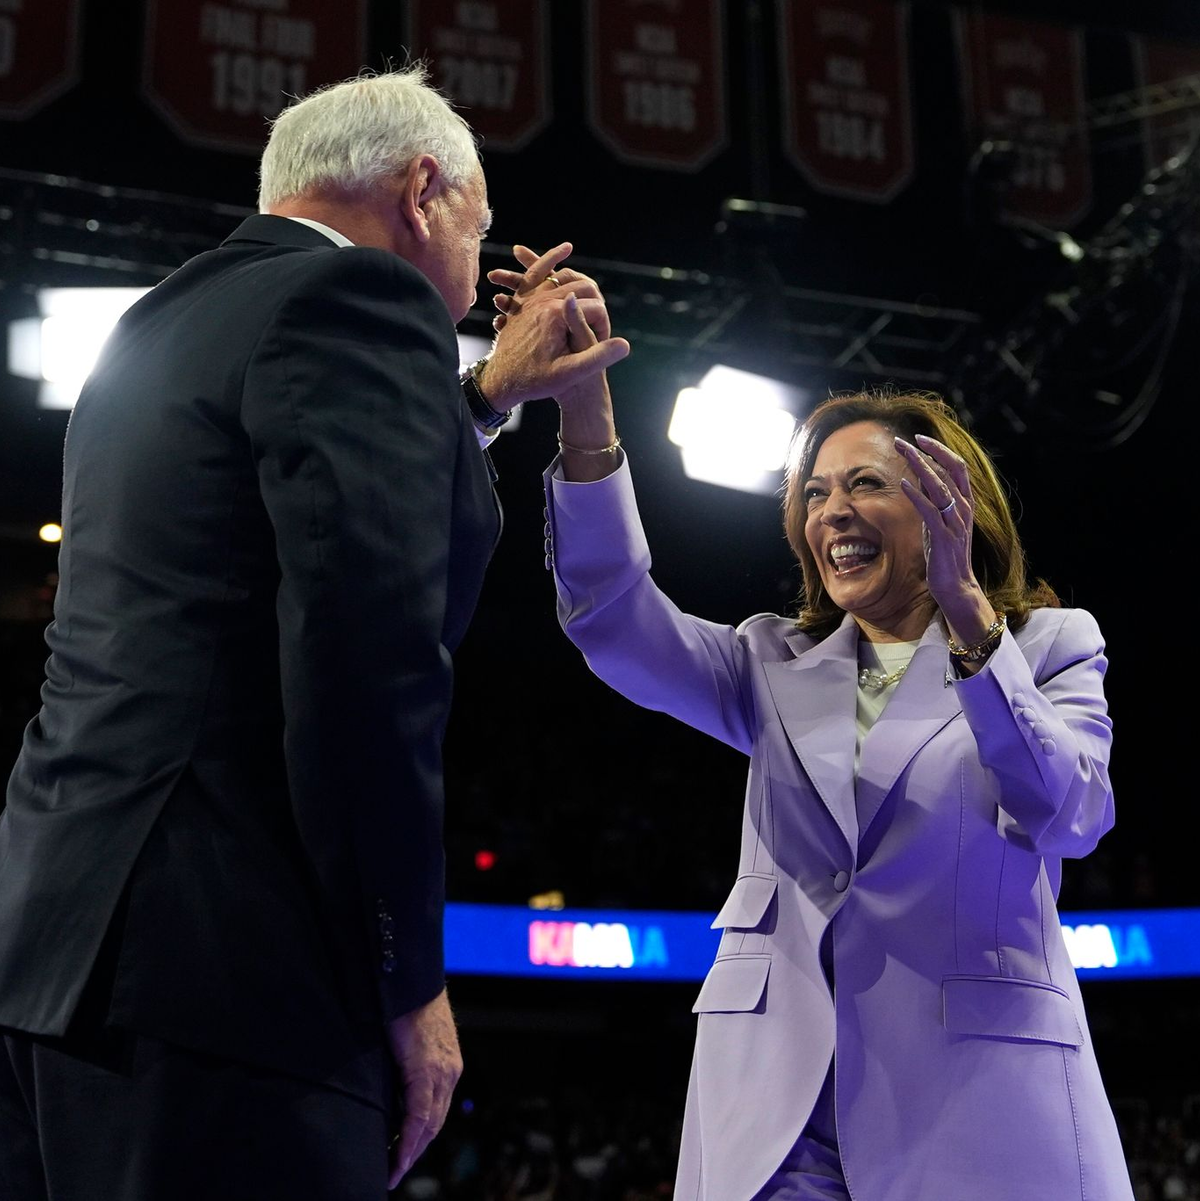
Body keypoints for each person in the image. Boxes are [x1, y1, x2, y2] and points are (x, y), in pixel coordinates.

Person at [0, 70, 627, 1200]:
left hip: (57, 959)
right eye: (477, 232)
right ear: (425, 190)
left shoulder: (164, 316)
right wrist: (405, 975)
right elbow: (364, 665)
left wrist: (482, 396)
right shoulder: (368, 306)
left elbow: (269, 528)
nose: (465, 279)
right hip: (233, 973)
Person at [494, 246, 1132, 1200]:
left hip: (974, 1108)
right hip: (780, 1117)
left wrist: (967, 619)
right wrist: (585, 413)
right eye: (817, 491)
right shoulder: (769, 662)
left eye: (868, 484)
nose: (835, 508)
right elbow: (614, 616)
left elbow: (1071, 813)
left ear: (951, 505)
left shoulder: (1045, 647)